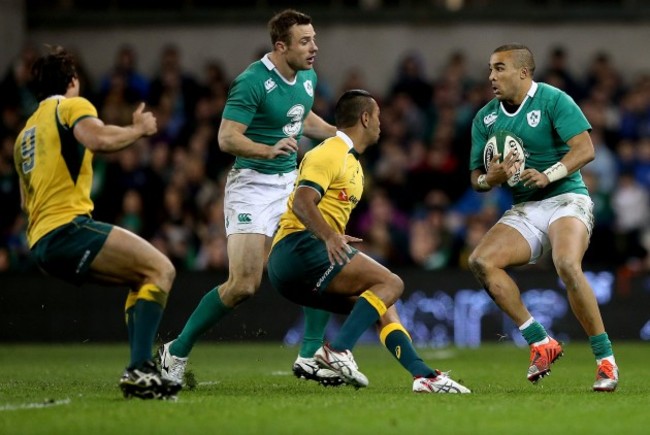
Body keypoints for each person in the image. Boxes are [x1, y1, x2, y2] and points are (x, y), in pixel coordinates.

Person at [159, 9, 342, 387]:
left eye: (314, 39)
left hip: (289, 184)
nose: (314, 48)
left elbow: (303, 119)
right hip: (252, 186)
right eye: (305, 41)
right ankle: (175, 349)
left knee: (323, 257)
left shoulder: (307, 77)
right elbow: (227, 137)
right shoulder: (252, 81)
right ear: (281, 46)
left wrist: (342, 137)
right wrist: (266, 149)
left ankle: (310, 356)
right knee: (244, 284)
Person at [267, 89, 470, 393]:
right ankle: (336, 351)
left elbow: (321, 208)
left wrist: (333, 233)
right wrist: (330, 235)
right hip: (297, 249)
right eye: (377, 116)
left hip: (306, 257)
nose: (381, 123)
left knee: (382, 303)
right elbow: (302, 202)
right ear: (364, 118)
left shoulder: (355, 165)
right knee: (392, 284)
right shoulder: (330, 151)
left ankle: (423, 376)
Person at [13, 46, 181, 400]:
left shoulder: (24, 136)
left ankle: (143, 371)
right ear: (73, 80)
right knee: (161, 269)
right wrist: (138, 130)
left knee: (142, 276)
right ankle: (139, 369)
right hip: (67, 229)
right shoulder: (71, 106)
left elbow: (25, 201)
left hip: (41, 244)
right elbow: (98, 139)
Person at [468, 43, 618, 392]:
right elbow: (475, 179)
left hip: (566, 197)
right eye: (490, 69)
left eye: (499, 68)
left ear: (523, 72)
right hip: (526, 208)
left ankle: (605, 360)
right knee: (481, 261)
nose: (491, 76)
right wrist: (489, 180)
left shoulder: (553, 100)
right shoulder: (485, 118)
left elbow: (585, 149)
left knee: (565, 262)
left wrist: (549, 174)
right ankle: (540, 341)